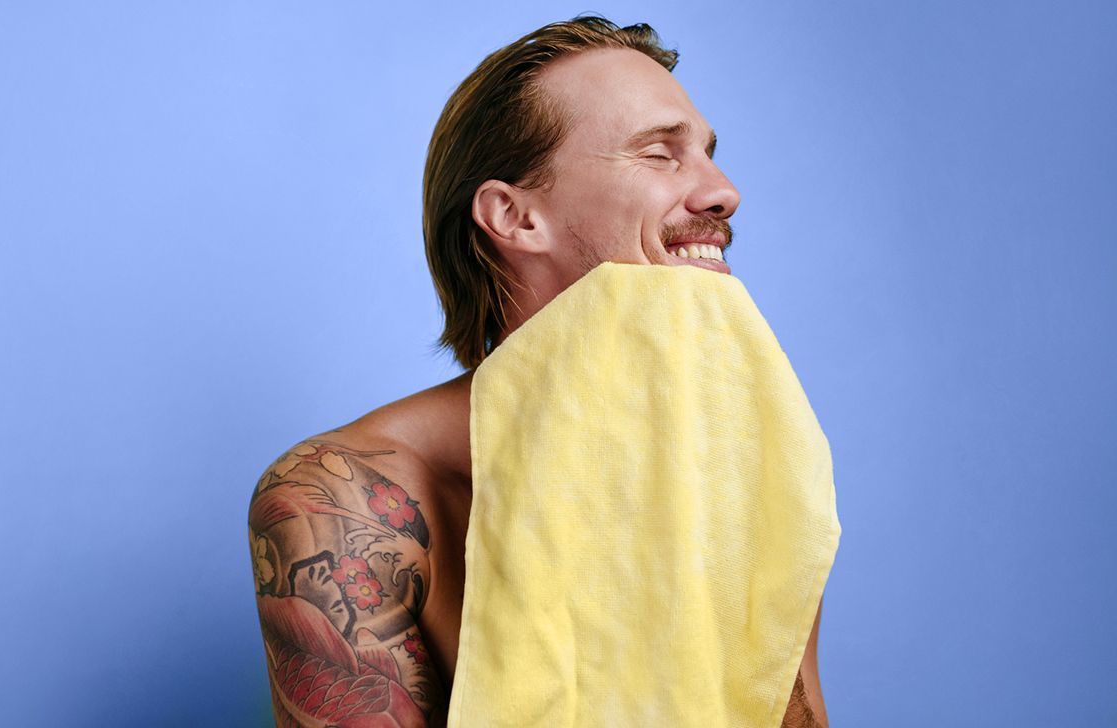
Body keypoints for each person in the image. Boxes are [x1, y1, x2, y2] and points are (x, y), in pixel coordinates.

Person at [249, 15, 828, 728]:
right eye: (659, 154)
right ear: (516, 218)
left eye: (708, 154)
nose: (723, 192)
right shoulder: (352, 496)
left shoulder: (748, 467)